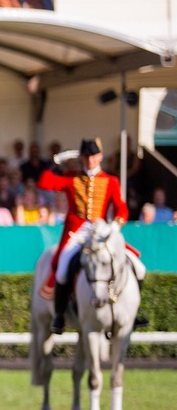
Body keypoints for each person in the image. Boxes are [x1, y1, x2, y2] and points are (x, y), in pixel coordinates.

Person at [38, 139, 146, 334]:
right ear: (81, 158)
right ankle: (59, 315)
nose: (90, 161)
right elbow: (45, 182)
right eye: (86, 157)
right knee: (62, 268)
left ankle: (133, 313)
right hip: (77, 232)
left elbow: (121, 208)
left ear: (100, 157)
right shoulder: (72, 178)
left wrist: (115, 224)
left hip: (102, 231)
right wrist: (56, 161)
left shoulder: (110, 180)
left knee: (139, 267)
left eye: (93, 156)